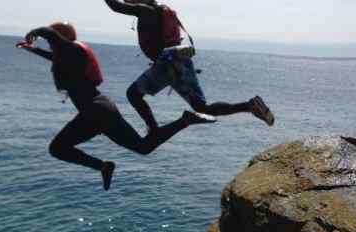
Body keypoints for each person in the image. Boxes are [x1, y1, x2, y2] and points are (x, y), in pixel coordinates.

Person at [17, 22, 215, 191]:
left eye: (52, 42)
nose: (51, 45)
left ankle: (184, 121)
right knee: (141, 147)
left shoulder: (71, 49)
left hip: (97, 111)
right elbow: (54, 57)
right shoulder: (70, 56)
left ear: (60, 39)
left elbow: (49, 34)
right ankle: (104, 166)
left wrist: (35, 32)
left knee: (59, 148)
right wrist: (31, 49)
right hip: (95, 112)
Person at [103, 0, 274, 133]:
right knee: (202, 108)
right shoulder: (160, 10)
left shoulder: (145, 10)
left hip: (166, 63)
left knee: (133, 94)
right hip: (180, 61)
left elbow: (115, 6)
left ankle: (153, 129)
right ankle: (249, 106)